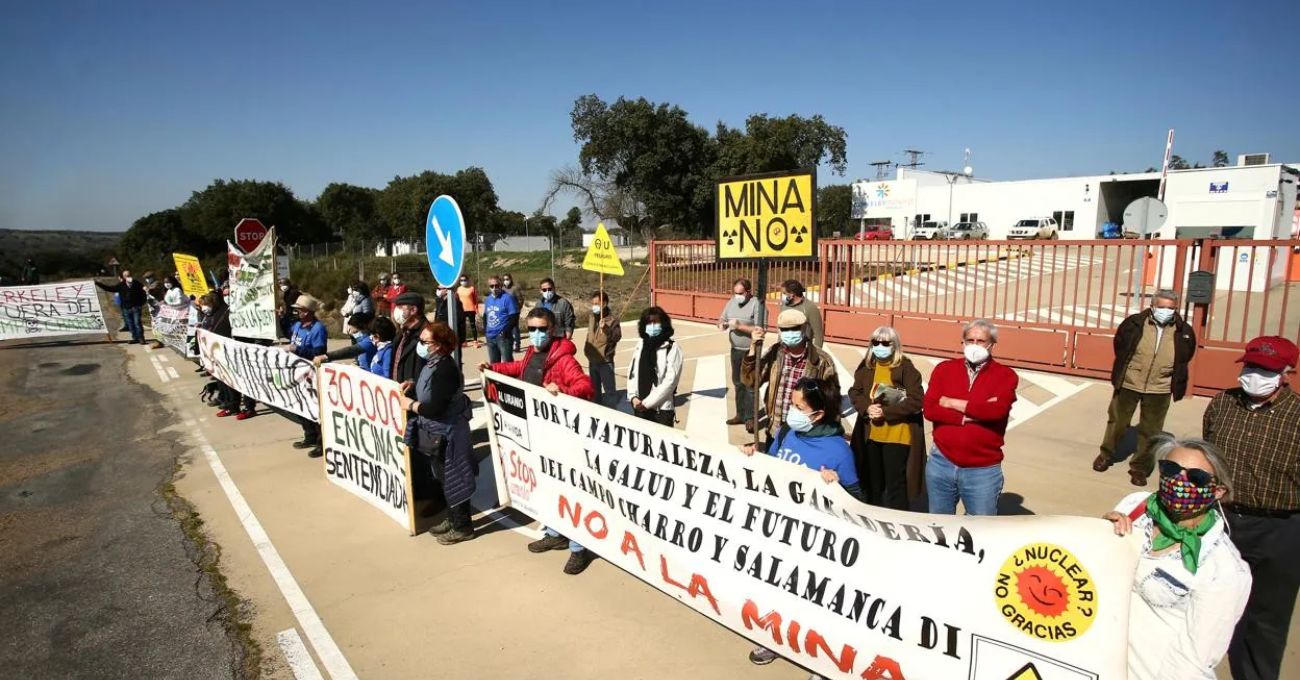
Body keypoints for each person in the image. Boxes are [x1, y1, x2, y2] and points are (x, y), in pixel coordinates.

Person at [1102, 437, 1251, 680]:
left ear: (1218, 491)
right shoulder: (1134, 506)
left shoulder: (1224, 570)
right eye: (1170, 470)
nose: (1179, 481)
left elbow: (1195, 659)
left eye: (1196, 478)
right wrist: (1102, 533)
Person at [742, 377, 862, 669]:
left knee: (812, 603)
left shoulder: (838, 451)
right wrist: (751, 456)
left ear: (818, 414)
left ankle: (819, 661)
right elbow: (771, 467)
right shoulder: (786, 433)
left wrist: (836, 488)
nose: (790, 412)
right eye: (792, 405)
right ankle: (774, 639)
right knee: (778, 589)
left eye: (798, 407)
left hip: (816, 542)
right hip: (780, 531)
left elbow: (858, 503)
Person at [1202, 335, 1300, 680]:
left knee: (1265, 620)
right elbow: (1207, 457)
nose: (1254, 374)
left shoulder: (1298, 416)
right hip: (1224, 522)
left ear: (1285, 374)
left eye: (1265, 369)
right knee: (1208, 606)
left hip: (1280, 529)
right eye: (1251, 365)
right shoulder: (1222, 404)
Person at [483, 308, 595, 574]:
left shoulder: (565, 359)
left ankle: (579, 548)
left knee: (568, 492)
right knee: (544, 487)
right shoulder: (533, 353)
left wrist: (562, 391)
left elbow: (586, 387)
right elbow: (520, 369)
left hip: (560, 438)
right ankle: (555, 533)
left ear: (553, 328)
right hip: (536, 434)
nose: (536, 334)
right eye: (531, 328)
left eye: (541, 329)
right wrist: (494, 368)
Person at [1095, 290, 1197, 485]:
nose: (1165, 311)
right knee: (1117, 422)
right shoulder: (1134, 323)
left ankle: (1140, 468)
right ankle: (1106, 455)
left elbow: (1186, 354)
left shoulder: (1183, 330)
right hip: (1130, 382)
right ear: (1152, 306)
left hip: (1160, 387)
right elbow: (1120, 345)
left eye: (1170, 308)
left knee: (1151, 431)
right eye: (1162, 307)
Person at [922, 319, 1018, 516]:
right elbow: (930, 409)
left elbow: (996, 411)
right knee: (939, 527)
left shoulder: (1005, 376)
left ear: (992, 345)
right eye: (970, 339)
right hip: (941, 462)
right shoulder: (944, 370)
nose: (974, 345)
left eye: (981, 341)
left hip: (982, 470)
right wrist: (967, 415)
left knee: (980, 531)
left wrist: (951, 402)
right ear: (962, 342)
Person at [399, 321, 477, 545]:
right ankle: (452, 520)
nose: (420, 345)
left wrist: (410, 404)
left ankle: (463, 526)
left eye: (425, 342)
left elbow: (436, 407)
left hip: (448, 434)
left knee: (456, 479)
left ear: (440, 345)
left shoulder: (445, 369)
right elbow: (431, 390)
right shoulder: (434, 363)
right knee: (444, 478)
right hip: (439, 432)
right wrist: (413, 384)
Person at [848, 326, 926, 511]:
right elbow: (855, 392)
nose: (879, 346)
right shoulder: (867, 366)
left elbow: (917, 400)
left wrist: (886, 412)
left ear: (895, 345)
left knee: (895, 485)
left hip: (897, 436)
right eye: (875, 342)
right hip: (872, 434)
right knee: (872, 482)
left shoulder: (906, 368)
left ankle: (897, 520)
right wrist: (867, 407)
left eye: (885, 343)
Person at [741, 309, 839, 449]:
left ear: (804, 328)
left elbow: (832, 402)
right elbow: (751, 381)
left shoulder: (821, 361)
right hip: (775, 430)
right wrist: (752, 348)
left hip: (805, 433)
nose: (789, 333)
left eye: (794, 329)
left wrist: (829, 437)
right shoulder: (775, 353)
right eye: (785, 329)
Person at [390, 291, 438, 504]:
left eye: (401, 307)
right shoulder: (404, 331)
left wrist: (414, 383)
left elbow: (433, 367)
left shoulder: (427, 334)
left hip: (417, 400)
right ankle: (417, 487)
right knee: (410, 446)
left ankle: (430, 494)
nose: (397, 312)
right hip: (402, 397)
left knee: (421, 450)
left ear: (414, 310)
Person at [283, 294, 327, 457]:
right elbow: (289, 335)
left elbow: (319, 352)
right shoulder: (297, 326)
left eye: (299, 310)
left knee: (315, 409)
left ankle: (321, 443)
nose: (297, 313)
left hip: (311, 373)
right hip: (298, 371)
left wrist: (297, 350)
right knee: (301, 406)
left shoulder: (317, 329)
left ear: (307, 311)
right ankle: (309, 436)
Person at [626, 307, 682, 427]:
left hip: (660, 411)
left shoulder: (672, 348)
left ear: (663, 324)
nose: (652, 325)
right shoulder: (641, 344)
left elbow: (670, 381)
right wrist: (633, 397)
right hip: (639, 406)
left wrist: (647, 403)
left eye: (655, 322)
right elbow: (632, 372)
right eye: (648, 323)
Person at [719, 278, 762, 429]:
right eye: (735, 293)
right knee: (738, 383)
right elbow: (722, 318)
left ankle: (750, 418)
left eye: (741, 293)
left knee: (749, 385)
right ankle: (740, 414)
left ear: (748, 292)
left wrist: (740, 326)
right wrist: (722, 325)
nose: (737, 296)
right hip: (735, 349)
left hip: (750, 351)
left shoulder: (757, 304)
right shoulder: (731, 302)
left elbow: (760, 330)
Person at [584, 290, 622, 408]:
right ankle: (597, 410)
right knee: (595, 390)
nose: (594, 306)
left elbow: (616, 336)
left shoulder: (612, 320)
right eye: (593, 304)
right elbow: (590, 334)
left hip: (605, 361)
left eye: (597, 304)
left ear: (604, 303)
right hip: (592, 359)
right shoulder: (592, 316)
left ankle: (611, 413)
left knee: (610, 391)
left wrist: (605, 328)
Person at [311, 312, 376, 371]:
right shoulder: (362, 339)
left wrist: (326, 356)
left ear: (363, 327)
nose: (351, 334)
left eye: (355, 332)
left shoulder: (370, 341)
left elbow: (351, 351)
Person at [95, 270, 147, 344]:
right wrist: (98, 284)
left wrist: (141, 303)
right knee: (130, 324)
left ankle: (141, 338)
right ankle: (135, 338)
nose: (128, 277)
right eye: (126, 276)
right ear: (123, 277)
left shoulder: (137, 284)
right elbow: (110, 288)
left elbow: (144, 293)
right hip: (126, 308)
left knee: (137, 323)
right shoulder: (121, 285)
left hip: (136, 307)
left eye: (129, 275)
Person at [481, 275, 520, 364]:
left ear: (501, 285)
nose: (494, 288)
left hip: (503, 337)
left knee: (507, 363)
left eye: (497, 285)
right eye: (492, 286)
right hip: (490, 336)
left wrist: (506, 331)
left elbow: (514, 317)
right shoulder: (488, 299)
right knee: (494, 365)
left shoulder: (507, 298)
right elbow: (485, 315)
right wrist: (485, 330)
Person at [781, 279, 824, 348]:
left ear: (792, 294)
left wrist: (815, 354)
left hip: (804, 350)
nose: (784, 296)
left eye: (785, 293)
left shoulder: (810, 308)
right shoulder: (784, 306)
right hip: (785, 349)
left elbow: (818, 335)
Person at [456, 275, 480, 346]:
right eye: (461, 280)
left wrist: (477, 309)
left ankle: (475, 341)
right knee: (462, 326)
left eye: (464, 280)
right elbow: (456, 299)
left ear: (467, 280)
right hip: (461, 310)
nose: (463, 281)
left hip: (471, 309)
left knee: (472, 325)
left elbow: (475, 299)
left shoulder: (472, 288)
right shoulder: (458, 289)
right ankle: (464, 341)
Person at [502, 273, 523, 351]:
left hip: (514, 312)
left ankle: (517, 345)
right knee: (507, 328)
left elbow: (521, 299)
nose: (506, 281)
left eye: (507, 279)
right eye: (504, 279)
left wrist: (518, 309)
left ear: (510, 279)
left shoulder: (515, 288)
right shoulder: (502, 289)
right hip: (505, 313)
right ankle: (509, 344)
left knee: (515, 328)